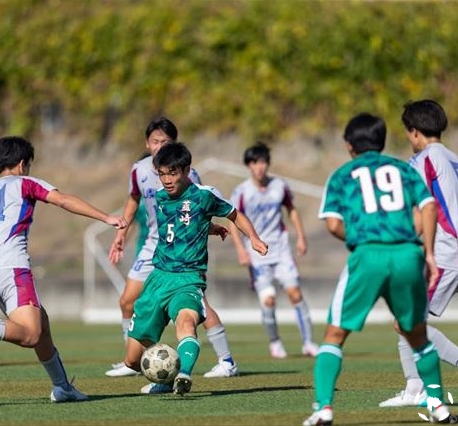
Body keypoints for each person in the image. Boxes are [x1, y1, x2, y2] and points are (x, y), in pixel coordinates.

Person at [0, 136, 126, 402]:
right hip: (13, 269)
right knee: (31, 333)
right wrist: (107, 217)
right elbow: (64, 200)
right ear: (22, 164)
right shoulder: (25, 183)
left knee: (41, 326)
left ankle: (62, 387)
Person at [304, 112, 449, 425]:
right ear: (382, 141)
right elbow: (428, 206)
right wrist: (429, 253)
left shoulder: (342, 175)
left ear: (348, 145)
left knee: (334, 334)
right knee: (418, 337)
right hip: (408, 255)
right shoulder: (403, 169)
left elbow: (332, 224)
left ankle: (324, 408)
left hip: (368, 256)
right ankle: (438, 406)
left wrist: (361, 237)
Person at [119, 142, 268, 395]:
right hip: (157, 279)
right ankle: (165, 378)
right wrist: (210, 228)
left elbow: (235, 215)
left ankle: (183, 374)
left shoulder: (205, 195)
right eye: (162, 173)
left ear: (187, 170)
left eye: (172, 173)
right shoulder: (161, 197)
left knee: (186, 324)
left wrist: (253, 238)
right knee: (132, 361)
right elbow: (179, 227)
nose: (166, 179)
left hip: (188, 279)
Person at [107, 117, 240, 380]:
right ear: (147, 143)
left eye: (165, 142)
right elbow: (132, 201)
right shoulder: (139, 170)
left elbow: (198, 211)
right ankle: (137, 359)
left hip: (182, 252)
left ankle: (226, 360)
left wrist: (212, 229)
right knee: (127, 301)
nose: (159, 146)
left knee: (196, 307)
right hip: (153, 246)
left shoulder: (188, 175)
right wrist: (122, 233)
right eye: (155, 141)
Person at [379, 100, 458, 408]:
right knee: (405, 315)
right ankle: (415, 386)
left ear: (414, 133)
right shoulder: (456, 162)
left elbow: (419, 213)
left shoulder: (422, 161)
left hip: (443, 253)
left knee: (407, 321)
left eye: (408, 132)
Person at [229, 143, 318, 359]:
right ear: (248, 166)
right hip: (256, 252)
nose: (259, 167)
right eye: (254, 163)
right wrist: (241, 249)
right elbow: (232, 221)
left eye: (262, 162)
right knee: (268, 299)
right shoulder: (241, 192)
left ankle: (308, 343)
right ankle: (275, 343)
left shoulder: (280, 186)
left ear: (267, 164)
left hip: (280, 248)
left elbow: (292, 211)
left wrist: (301, 237)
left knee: (295, 294)